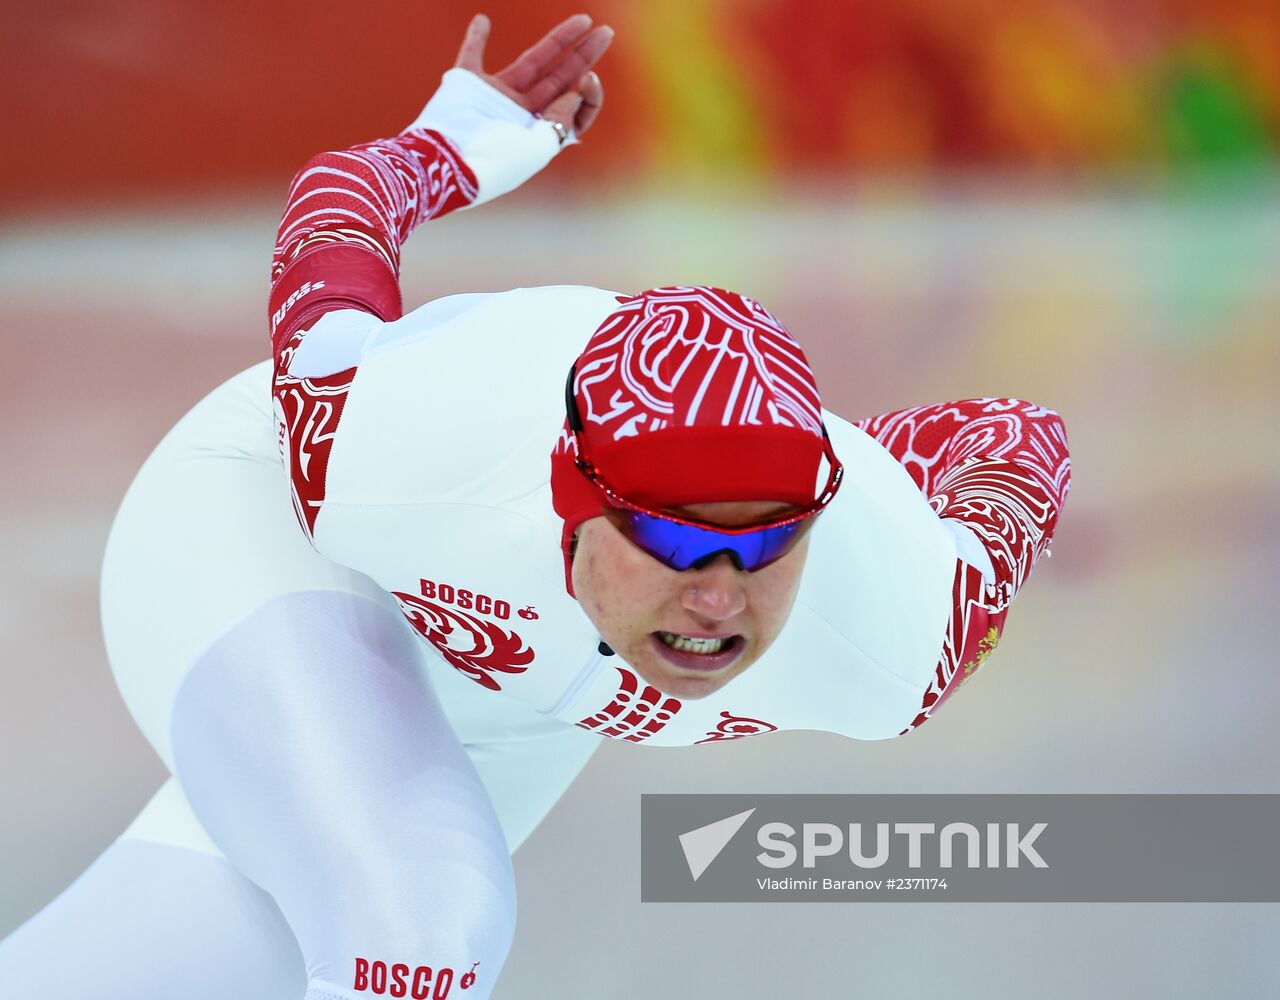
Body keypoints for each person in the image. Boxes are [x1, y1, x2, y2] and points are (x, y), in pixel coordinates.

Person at [0, 12, 1070, 1000]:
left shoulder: (892, 634)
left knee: (177, 962)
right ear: (568, 500)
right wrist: (457, 142)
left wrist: (853, 476)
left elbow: (1017, 435)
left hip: (508, 704)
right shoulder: (393, 441)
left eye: (768, 538)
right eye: (671, 536)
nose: (716, 598)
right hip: (266, 527)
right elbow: (341, 203)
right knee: (417, 931)